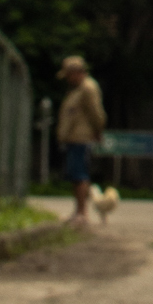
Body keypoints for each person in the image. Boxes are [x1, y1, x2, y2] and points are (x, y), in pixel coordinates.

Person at [55, 55, 106, 226]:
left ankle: (83, 213)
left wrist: (98, 130)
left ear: (76, 72)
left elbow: (96, 113)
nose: (68, 79)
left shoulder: (88, 88)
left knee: (80, 174)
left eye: (69, 75)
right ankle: (78, 211)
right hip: (74, 138)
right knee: (75, 174)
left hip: (81, 138)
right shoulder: (78, 89)